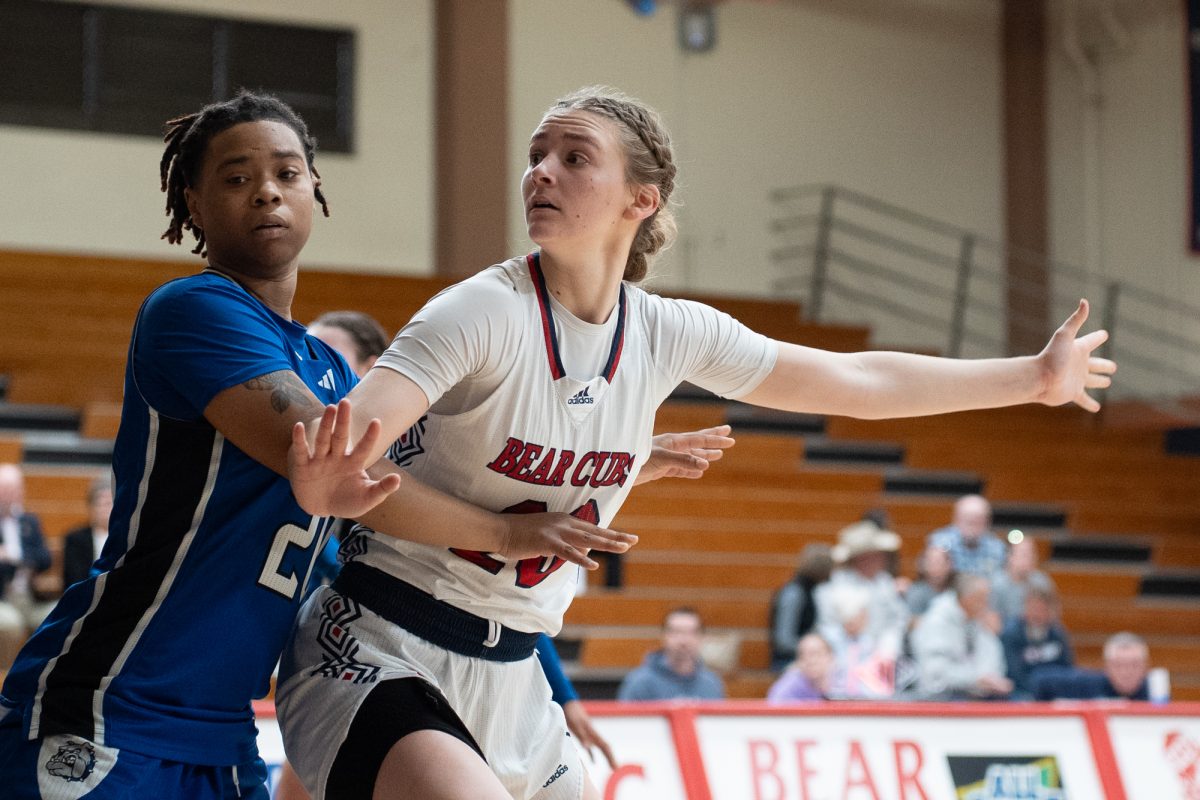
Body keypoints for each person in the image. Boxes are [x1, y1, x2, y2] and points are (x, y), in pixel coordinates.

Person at [278, 86, 1114, 800]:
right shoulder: (482, 312)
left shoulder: (670, 333)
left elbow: (855, 381)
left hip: (516, 671)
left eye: (574, 157)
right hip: (382, 642)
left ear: (641, 200)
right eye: (537, 154)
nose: (540, 170)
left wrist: (1031, 380)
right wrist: (498, 531)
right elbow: (342, 462)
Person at [0, 92, 641, 800]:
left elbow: (403, 546)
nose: (267, 191)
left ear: (315, 189)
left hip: (224, 729)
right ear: (194, 200)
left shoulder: (333, 372)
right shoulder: (194, 309)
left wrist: (621, 443)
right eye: (238, 178)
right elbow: (345, 469)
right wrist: (505, 531)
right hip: (109, 703)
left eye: (287, 173)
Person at [815, 520, 909, 658]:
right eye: (877, 555)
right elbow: (827, 628)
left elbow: (898, 619)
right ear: (862, 558)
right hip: (845, 658)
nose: (882, 559)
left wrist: (887, 648)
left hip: (883, 658)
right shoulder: (835, 587)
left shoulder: (884, 582)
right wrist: (848, 634)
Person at [910, 573, 1012, 700]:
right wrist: (976, 679)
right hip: (941, 696)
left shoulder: (978, 621)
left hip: (976, 692)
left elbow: (993, 661)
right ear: (967, 599)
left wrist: (989, 679)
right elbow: (935, 672)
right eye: (982, 598)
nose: (986, 605)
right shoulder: (936, 622)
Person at [0, 463, 53, 670]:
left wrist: (13, 557)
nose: (14, 495)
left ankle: (39, 675)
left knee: (57, 615)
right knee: (11, 625)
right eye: (7, 489)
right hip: (3, 597)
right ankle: (7, 679)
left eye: (17, 489)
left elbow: (45, 559)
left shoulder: (29, 521)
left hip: (30, 597)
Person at [616, 608, 725, 702]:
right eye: (676, 632)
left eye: (691, 632)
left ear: (701, 637)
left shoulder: (711, 683)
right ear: (664, 636)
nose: (684, 640)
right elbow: (626, 724)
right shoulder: (639, 682)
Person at [768, 542, 833, 671]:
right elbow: (783, 640)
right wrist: (813, 650)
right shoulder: (794, 593)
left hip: (804, 658)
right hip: (787, 661)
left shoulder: (811, 592)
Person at [1032, 631, 1152, 701]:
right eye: (1119, 665)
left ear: (1145, 667)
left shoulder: (1155, 692)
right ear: (1107, 667)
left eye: (1134, 665)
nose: (1126, 672)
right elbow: (1040, 680)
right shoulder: (1088, 684)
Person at [1000, 586, 1074, 698]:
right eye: (1032, 608)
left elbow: (1068, 668)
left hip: (1054, 690)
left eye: (1041, 609)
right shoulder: (1011, 634)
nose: (1036, 615)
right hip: (1022, 692)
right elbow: (1014, 675)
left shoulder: (1057, 633)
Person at [927, 494, 1007, 578]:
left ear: (987, 522)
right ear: (956, 519)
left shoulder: (997, 547)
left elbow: (1000, 580)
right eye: (968, 521)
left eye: (977, 522)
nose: (972, 528)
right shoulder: (940, 543)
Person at [61, 476, 114, 591]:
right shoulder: (76, 539)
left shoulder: (126, 538)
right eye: (100, 504)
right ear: (91, 507)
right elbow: (73, 578)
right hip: (86, 596)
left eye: (109, 503)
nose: (105, 509)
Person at [989, 536, 1055, 624]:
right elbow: (991, 617)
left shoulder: (1041, 581)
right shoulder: (996, 583)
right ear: (1010, 557)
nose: (1029, 558)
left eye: (1032, 554)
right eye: (1024, 554)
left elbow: (1053, 613)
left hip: (1035, 629)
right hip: (1004, 632)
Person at [767, 632, 834, 703]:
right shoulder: (789, 685)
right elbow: (774, 704)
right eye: (803, 656)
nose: (811, 661)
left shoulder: (838, 682)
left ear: (830, 656)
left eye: (817, 654)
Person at [904, 543, 956, 618]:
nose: (936, 567)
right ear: (923, 566)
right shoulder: (916, 592)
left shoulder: (958, 589)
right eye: (932, 563)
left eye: (940, 562)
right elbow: (911, 622)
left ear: (950, 565)